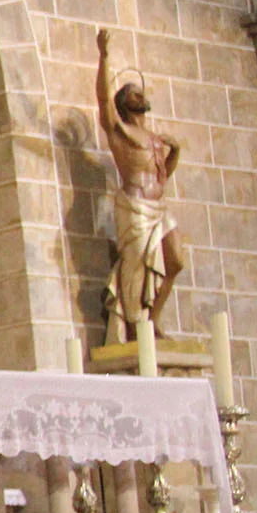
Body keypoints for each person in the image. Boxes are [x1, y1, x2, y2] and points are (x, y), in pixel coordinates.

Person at [95, 26, 187, 340]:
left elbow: (164, 176)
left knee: (175, 261)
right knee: (134, 268)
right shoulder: (120, 131)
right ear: (124, 103)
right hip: (134, 206)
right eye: (134, 93)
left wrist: (175, 151)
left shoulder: (154, 138)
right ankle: (136, 328)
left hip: (159, 206)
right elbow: (103, 102)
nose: (141, 96)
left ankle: (154, 318)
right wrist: (104, 58)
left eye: (141, 92)